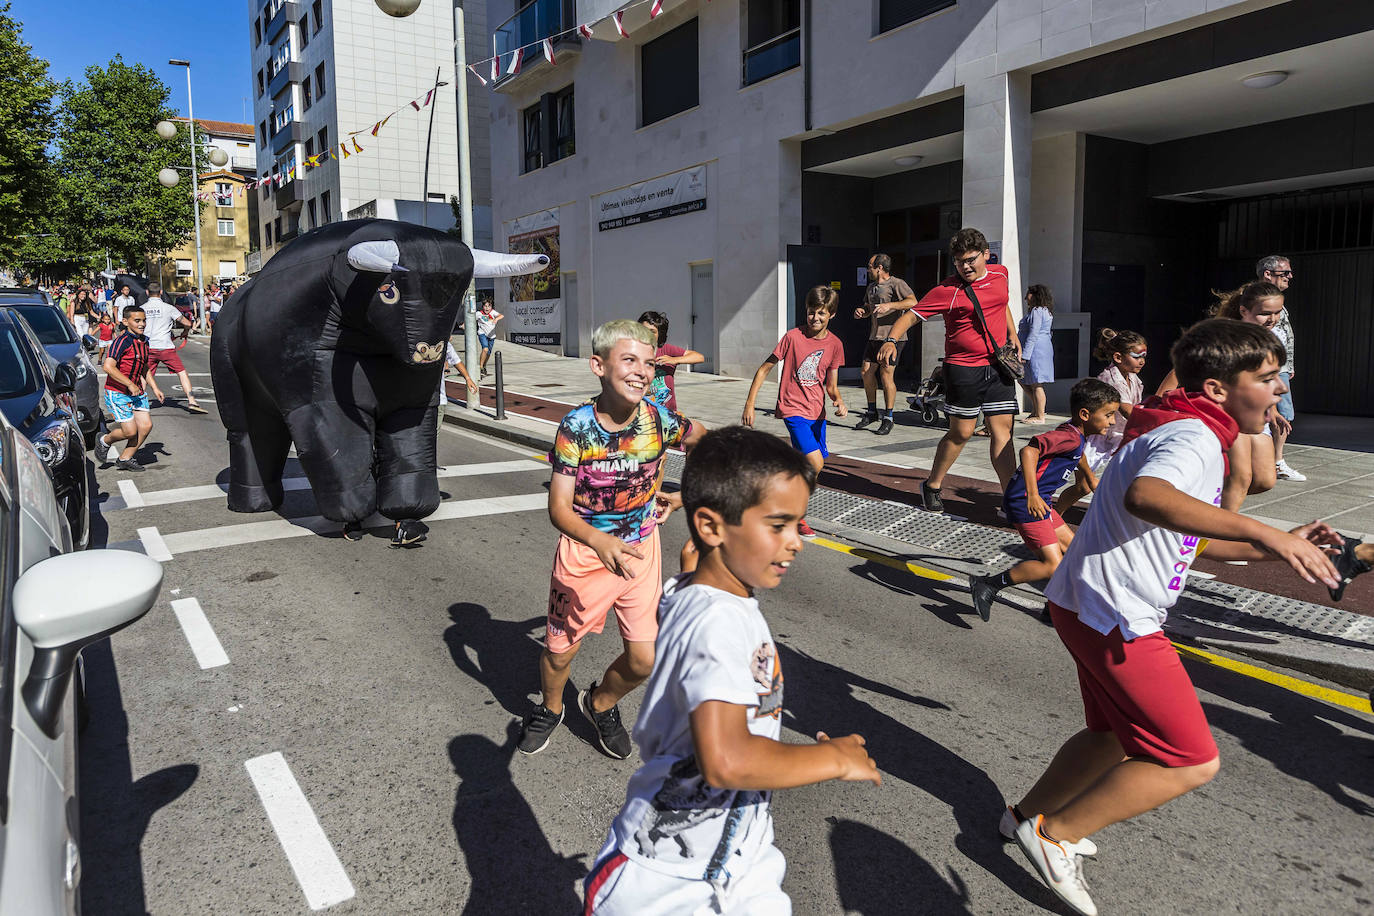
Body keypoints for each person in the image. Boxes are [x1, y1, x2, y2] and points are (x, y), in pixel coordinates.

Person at [1002, 319, 1342, 916]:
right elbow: (1148, 499)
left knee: (1111, 737)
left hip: (1084, 602)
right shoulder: (1193, 438)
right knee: (1188, 758)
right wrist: (1263, 530)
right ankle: (1053, 835)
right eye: (1266, 379)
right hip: (1115, 612)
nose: (1280, 390)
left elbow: (1192, 536)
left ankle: (1023, 817)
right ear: (1217, 389)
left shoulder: (1184, 428)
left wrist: (1277, 543)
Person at [583, 426, 881, 915]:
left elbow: (688, 566)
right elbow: (725, 760)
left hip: (737, 860)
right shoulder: (718, 620)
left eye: (798, 526)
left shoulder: (700, 591)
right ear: (712, 527)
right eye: (779, 525)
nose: (796, 543)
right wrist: (833, 760)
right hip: (670, 885)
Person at [518, 320, 707, 759]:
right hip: (585, 554)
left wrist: (684, 494)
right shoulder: (576, 427)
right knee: (559, 653)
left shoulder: (660, 419)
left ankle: (599, 703)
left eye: (649, 362)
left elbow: (704, 439)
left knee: (644, 660)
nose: (642, 371)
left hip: (641, 551)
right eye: (629, 360)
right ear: (598, 366)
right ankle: (550, 708)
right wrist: (599, 543)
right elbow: (559, 508)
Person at [877, 228, 1022, 512]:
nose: (965, 266)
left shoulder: (1001, 274)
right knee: (962, 433)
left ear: (986, 256)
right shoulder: (947, 291)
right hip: (963, 370)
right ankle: (932, 484)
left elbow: (1001, 303)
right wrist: (892, 340)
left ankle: (1010, 499)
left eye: (970, 260)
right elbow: (910, 316)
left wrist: (1012, 333)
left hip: (997, 367)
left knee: (1002, 432)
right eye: (959, 261)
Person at [969, 379, 1119, 622]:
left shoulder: (1074, 434)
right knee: (1052, 565)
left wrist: (1090, 477)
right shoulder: (1069, 437)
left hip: (1040, 503)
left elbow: (1076, 454)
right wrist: (1033, 494)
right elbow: (1029, 451)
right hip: (1025, 503)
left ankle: (1054, 607)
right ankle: (988, 584)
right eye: (1108, 415)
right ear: (1085, 414)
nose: (1112, 421)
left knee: (1073, 553)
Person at [741, 285, 848, 539]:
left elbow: (831, 385)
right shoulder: (792, 337)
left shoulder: (835, 345)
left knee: (810, 469)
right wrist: (749, 404)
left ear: (831, 315)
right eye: (812, 312)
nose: (815, 318)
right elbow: (764, 369)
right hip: (793, 409)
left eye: (821, 313)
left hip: (817, 414)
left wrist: (839, 400)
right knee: (815, 462)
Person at [1055, 328, 1147, 516]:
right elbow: (1128, 411)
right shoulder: (1110, 378)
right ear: (1118, 357)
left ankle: (1110, 517)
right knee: (1083, 487)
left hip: (1115, 438)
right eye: (1137, 356)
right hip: (1094, 438)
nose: (1142, 361)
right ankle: (1054, 515)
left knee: (1124, 481)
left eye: (1144, 356)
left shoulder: (1134, 378)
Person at [852, 253, 917, 435]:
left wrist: (891, 305)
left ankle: (888, 417)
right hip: (874, 337)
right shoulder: (872, 287)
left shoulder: (897, 283)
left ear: (879, 267)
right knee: (866, 372)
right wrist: (862, 311)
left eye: (870, 266)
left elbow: (913, 302)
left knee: (886, 375)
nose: (868, 269)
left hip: (893, 339)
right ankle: (872, 411)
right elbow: (868, 308)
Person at [1256, 254, 1304, 481]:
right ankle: (1275, 462)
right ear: (1268, 274)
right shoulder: (1256, 300)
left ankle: (1274, 460)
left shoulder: (1276, 302)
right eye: (1285, 273)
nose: (1290, 277)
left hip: (1279, 367)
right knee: (1279, 414)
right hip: (1267, 366)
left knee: (1281, 414)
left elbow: (1285, 336)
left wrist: (1289, 363)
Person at [98, 304, 154, 472]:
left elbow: (144, 366)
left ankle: (125, 458)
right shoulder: (121, 341)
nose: (142, 324)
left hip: (136, 391)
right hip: (118, 392)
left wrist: (155, 387)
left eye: (144, 320)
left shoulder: (144, 341)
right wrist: (129, 383)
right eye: (137, 321)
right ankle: (105, 440)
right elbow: (108, 366)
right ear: (125, 321)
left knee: (145, 426)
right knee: (130, 432)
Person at [140, 282, 208, 414]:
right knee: (182, 373)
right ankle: (192, 401)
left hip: (148, 347)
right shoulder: (168, 308)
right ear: (161, 293)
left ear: (147, 293)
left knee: (145, 375)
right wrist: (185, 332)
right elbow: (187, 323)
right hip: (166, 347)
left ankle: (137, 403)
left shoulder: (141, 308)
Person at [638, 310, 704, 413]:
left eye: (652, 331)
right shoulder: (633, 350)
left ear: (659, 334)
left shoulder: (666, 350)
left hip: (667, 412)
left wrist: (675, 359)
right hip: (641, 412)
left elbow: (699, 357)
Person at [1017, 285, 1055, 423]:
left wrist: (1025, 355)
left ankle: (1040, 415)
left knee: (1036, 383)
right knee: (1024, 380)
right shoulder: (1044, 311)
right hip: (1039, 348)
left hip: (1036, 350)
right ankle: (1036, 410)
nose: (1026, 297)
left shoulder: (1038, 311)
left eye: (1028, 294)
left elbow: (1034, 333)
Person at [476, 297, 504, 378]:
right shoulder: (479, 313)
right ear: (483, 307)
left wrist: (496, 319)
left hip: (491, 336)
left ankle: (484, 365)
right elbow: (470, 318)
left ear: (491, 307)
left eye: (488, 306)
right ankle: (480, 367)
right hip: (482, 334)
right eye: (485, 306)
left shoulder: (493, 312)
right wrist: (464, 324)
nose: (487, 308)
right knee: (485, 349)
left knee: (488, 353)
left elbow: (501, 315)